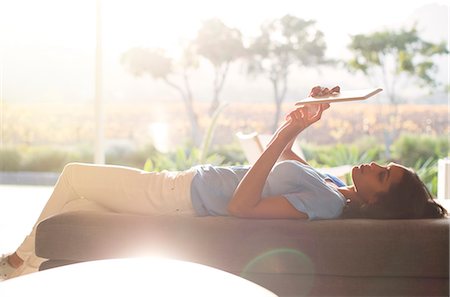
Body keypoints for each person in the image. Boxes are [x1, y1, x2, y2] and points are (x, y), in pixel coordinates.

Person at [1, 88, 447, 280]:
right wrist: (308, 119)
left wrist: (282, 136)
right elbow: (286, 164)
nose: (373, 164)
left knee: (75, 176)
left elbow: (242, 205)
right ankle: (29, 269)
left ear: (377, 201)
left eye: (383, 174)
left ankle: (16, 261)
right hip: (185, 186)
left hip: (178, 196)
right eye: (383, 164)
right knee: (77, 203)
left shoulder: (326, 207)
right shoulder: (332, 189)